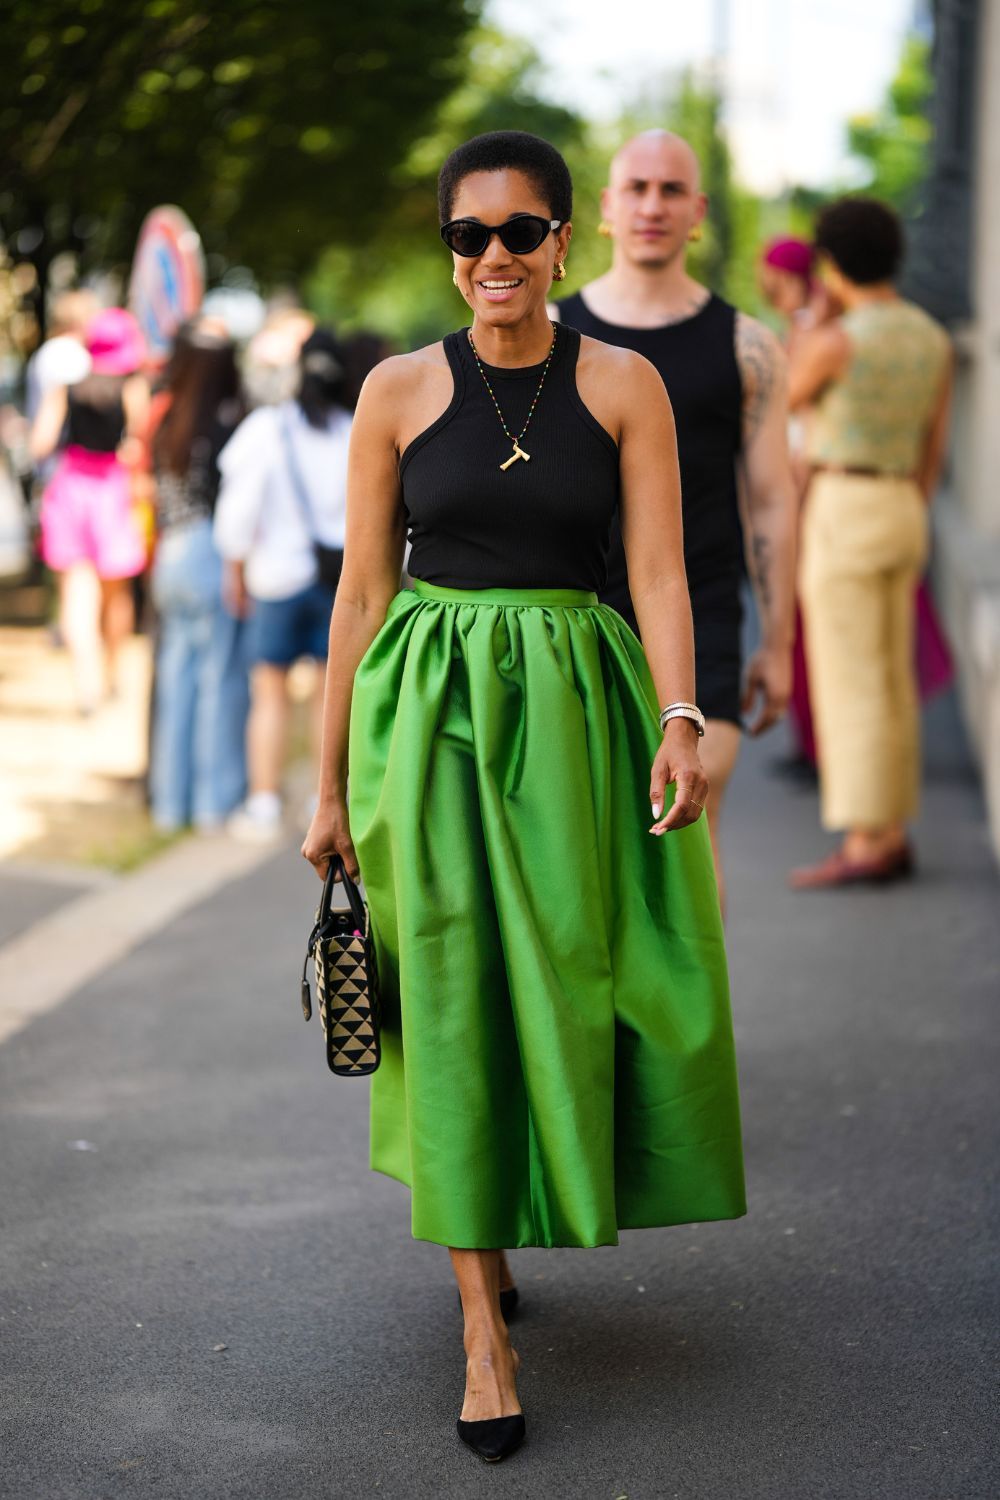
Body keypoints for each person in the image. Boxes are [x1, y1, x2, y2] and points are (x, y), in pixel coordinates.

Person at [301, 129, 745, 1463]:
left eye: (518, 232)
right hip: (424, 716)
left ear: (564, 239)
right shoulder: (392, 391)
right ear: (448, 249)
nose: (492, 257)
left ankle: (521, 1216)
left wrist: (682, 715)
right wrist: (325, 783)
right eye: (467, 235)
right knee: (442, 990)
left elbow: (660, 572)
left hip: (572, 713)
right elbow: (361, 597)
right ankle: (481, 1327)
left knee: (563, 975)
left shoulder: (626, 384)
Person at [554, 130, 797, 909]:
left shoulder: (746, 345)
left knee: (691, 823)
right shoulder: (547, 333)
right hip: (576, 615)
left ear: (697, 212)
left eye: (670, 191)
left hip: (702, 614)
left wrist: (780, 642)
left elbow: (770, 499)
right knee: (582, 840)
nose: (652, 205)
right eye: (637, 189)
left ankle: (692, 1031)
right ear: (605, 208)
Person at [787, 197, 953, 888]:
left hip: (844, 503)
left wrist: (815, 321)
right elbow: (933, 447)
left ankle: (864, 840)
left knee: (849, 680)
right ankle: (891, 827)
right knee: (890, 677)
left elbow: (781, 403)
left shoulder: (836, 338)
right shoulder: (930, 336)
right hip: (902, 506)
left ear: (829, 262)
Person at [214, 329, 352, 842]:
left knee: (269, 694)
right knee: (327, 695)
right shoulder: (351, 429)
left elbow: (237, 513)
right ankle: (323, 799)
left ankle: (264, 801)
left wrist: (235, 570)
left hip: (273, 579)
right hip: (336, 583)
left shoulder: (266, 429)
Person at [147, 320, 249, 831]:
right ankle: (215, 803)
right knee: (219, 679)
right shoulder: (226, 424)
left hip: (170, 552)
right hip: (210, 551)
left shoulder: (167, 422)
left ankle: (170, 804)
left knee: (175, 679)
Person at [31, 307, 149, 715]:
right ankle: (112, 675)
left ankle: (87, 686)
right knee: (115, 595)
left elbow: (40, 444)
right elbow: (138, 445)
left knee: (76, 594)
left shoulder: (67, 387)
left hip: (70, 490)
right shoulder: (134, 388)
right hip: (114, 493)